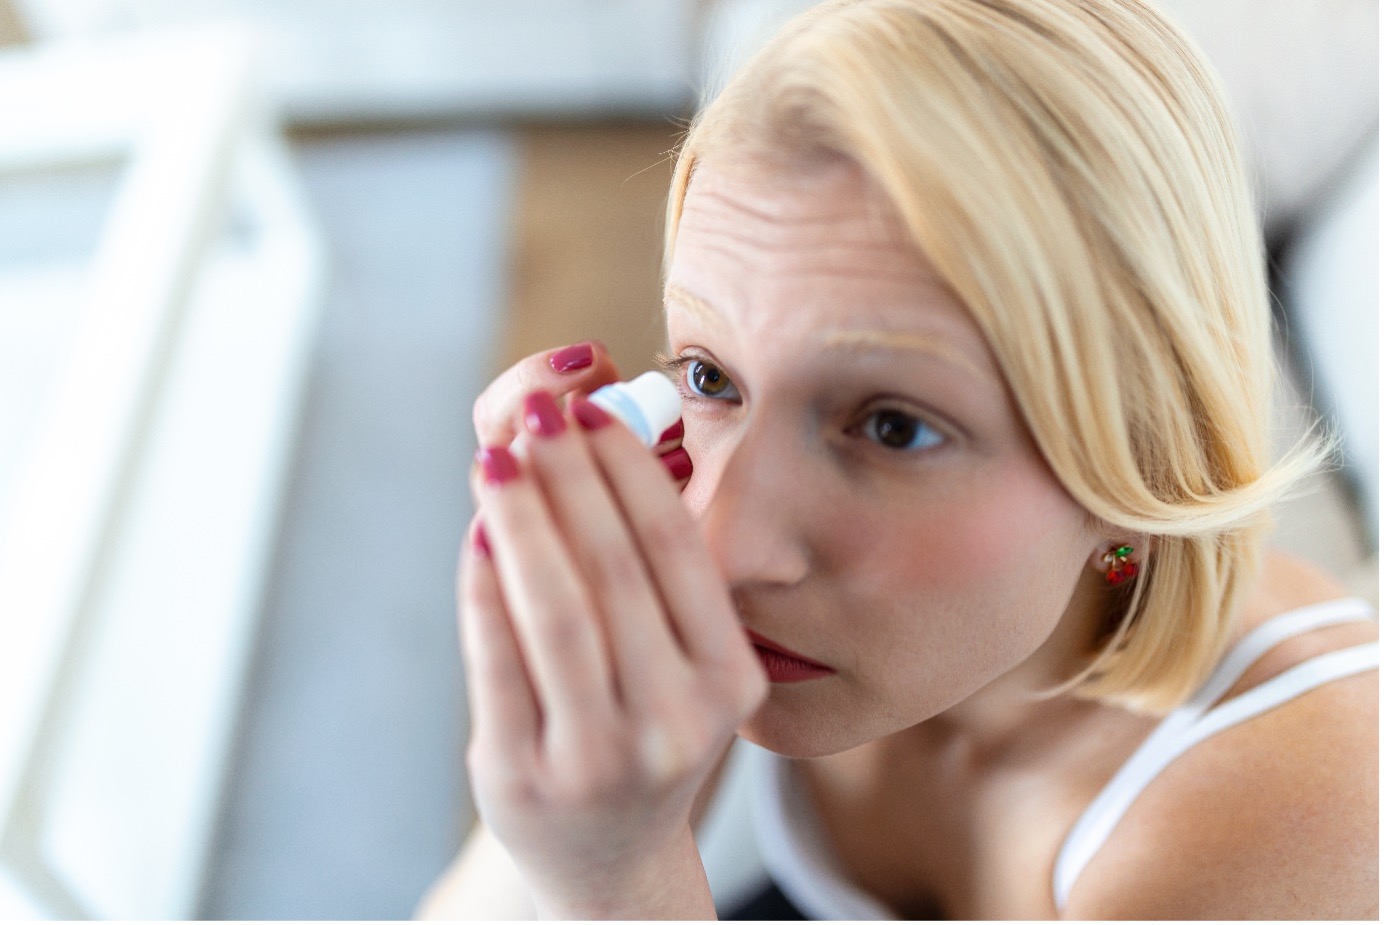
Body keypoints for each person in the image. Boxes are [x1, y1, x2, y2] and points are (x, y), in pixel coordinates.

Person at [419, 0, 1379, 918]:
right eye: (711, 377)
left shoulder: (1297, 830)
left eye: (891, 429)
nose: (721, 543)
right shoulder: (831, 623)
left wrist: (621, 885)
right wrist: (583, 752)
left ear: (1144, 467)